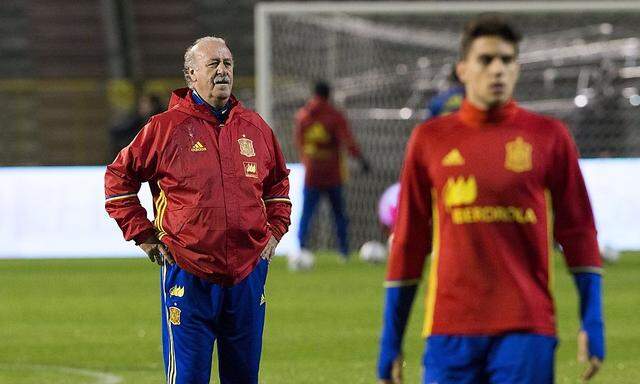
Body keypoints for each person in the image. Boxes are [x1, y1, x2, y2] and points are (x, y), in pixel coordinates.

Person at [377, 15, 604, 384]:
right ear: (463, 69)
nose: (497, 69)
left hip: (526, 328)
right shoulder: (429, 139)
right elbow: (409, 242)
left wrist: (592, 320)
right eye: (486, 60)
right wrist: (391, 339)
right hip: (449, 328)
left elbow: (578, 231)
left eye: (507, 60)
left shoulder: (549, 136)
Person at [104, 36, 291, 384]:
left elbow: (278, 185)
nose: (223, 71)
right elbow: (118, 178)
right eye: (214, 64)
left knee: (244, 378)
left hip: (247, 275)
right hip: (187, 272)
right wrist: (143, 235)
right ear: (191, 75)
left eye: (228, 63)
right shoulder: (163, 129)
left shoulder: (256, 128)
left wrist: (275, 232)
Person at [294, 80, 370, 262]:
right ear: (328, 95)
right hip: (332, 172)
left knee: (307, 213)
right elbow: (348, 140)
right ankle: (344, 252)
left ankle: (301, 249)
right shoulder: (334, 116)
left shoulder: (303, 115)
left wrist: (309, 157)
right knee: (339, 214)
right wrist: (361, 160)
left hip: (312, 171)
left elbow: (299, 142)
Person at [108, 93, 164, 159]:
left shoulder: (161, 121)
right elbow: (122, 130)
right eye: (141, 103)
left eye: (145, 103)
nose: (141, 106)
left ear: (154, 105)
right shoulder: (139, 119)